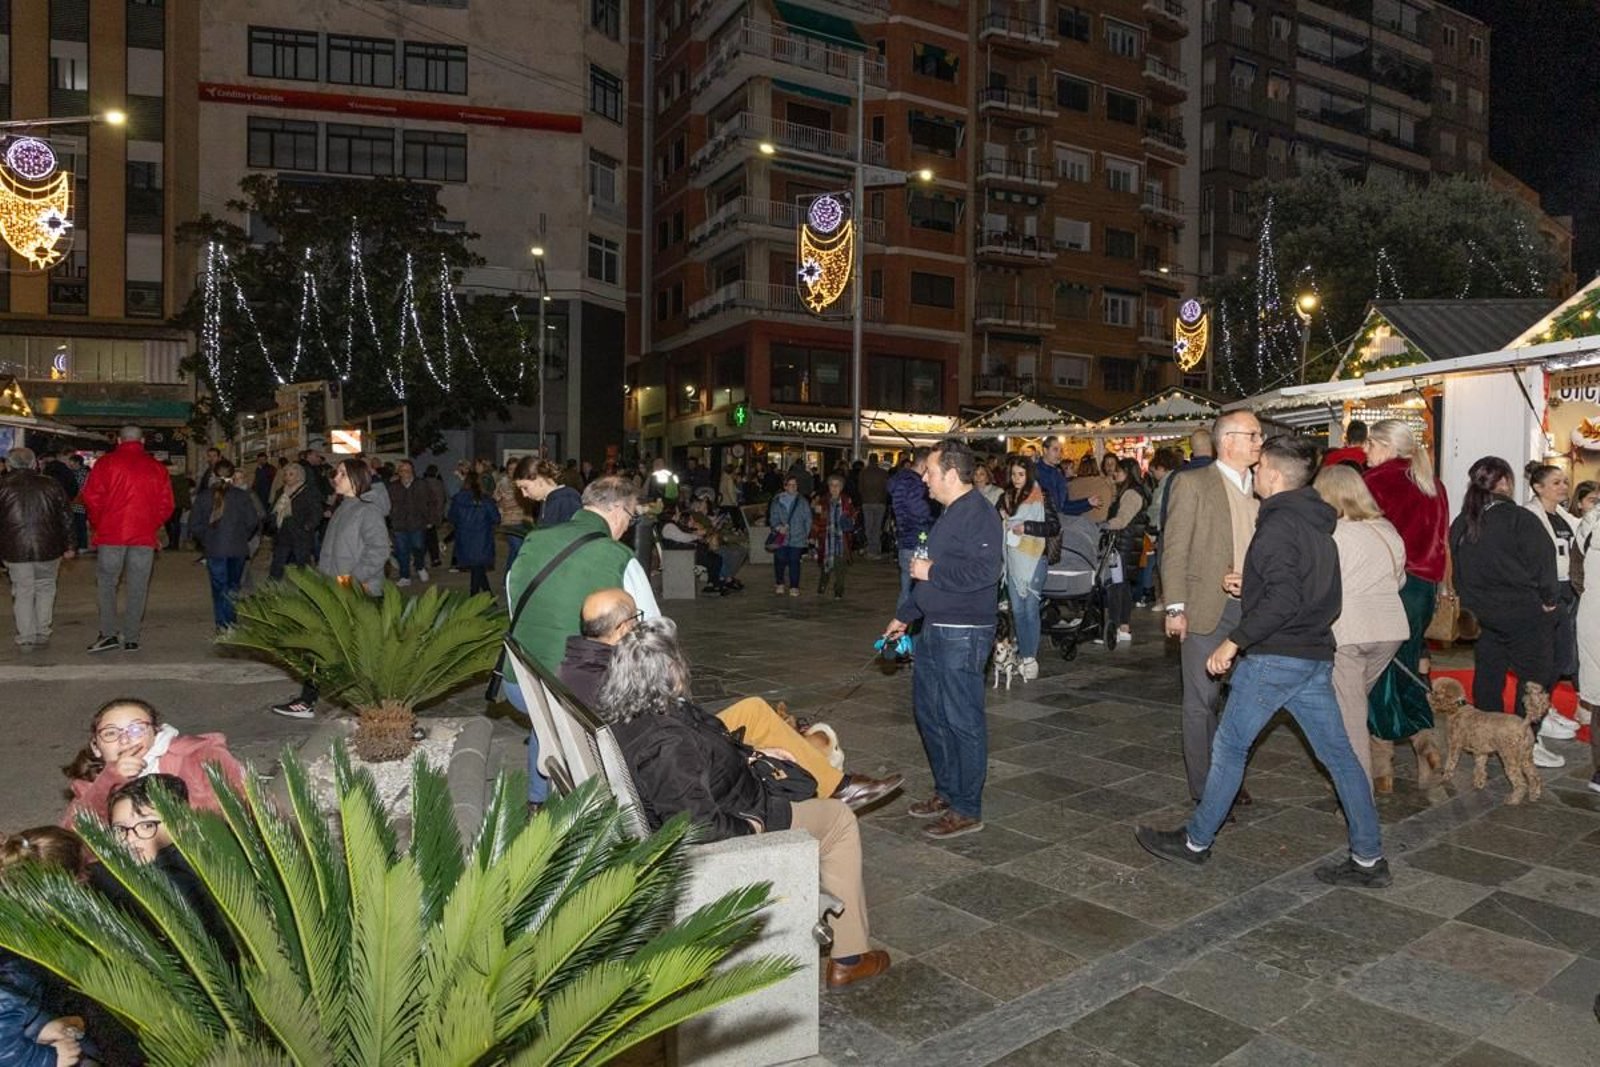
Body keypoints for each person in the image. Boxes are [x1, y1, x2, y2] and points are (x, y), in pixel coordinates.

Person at [1137, 435, 1390, 888]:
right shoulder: (1318, 524)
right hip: (1313, 656)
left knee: (1230, 747)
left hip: (1275, 657)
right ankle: (1369, 858)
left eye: (1259, 466)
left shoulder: (1275, 526)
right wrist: (1251, 585)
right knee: (1341, 758)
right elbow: (1321, 595)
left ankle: (1195, 842)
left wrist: (1234, 641)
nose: (1253, 472)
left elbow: (1286, 597)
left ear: (1272, 474)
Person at [597, 618, 890, 989]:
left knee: (801, 778)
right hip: (743, 817)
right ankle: (850, 957)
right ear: (669, 670)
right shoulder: (667, 744)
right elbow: (697, 826)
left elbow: (704, 750)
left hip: (736, 794)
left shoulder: (637, 712)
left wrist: (752, 754)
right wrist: (751, 826)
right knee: (839, 820)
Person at [560, 589, 901, 807]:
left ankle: (832, 779)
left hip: (666, 737)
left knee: (753, 709)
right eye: (636, 617)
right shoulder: (609, 671)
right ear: (620, 629)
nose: (640, 623)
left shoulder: (582, 661)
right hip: (670, 750)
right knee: (753, 714)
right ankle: (836, 786)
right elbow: (657, 732)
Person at [508, 477, 662, 808]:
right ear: (618, 509)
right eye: (631, 517)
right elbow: (652, 628)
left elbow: (513, 603)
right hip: (574, 692)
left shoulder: (534, 540)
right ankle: (616, 802)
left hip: (518, 682)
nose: (628, 526)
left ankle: (538, 800)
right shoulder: (617, 555)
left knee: (545, 717)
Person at [883, 439, 1004, 840]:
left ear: (952, 474)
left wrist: (932, 573)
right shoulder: (950, 512)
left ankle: (968, 808)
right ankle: (948, 791)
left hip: (963, 633)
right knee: (931, 714)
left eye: (930, 473)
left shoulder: (980, 514)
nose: (924, 480)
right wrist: (904, 617)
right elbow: (928, 574)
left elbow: (986, 573)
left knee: (962, 719)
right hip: (933, 628)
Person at [1161, 411, 1262, 806]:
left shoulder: (1264, 487)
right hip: (1206, 609)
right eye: (1253, 434)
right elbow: (1175, 548)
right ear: (1229, 441)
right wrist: (1174, 607)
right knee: (1201, 704)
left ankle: (1230, 777)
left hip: (1254, 612)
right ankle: (1207, 790)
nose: (1259, 441)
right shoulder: (1193, 482)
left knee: (1245, 705)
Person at [1449, 456, 1563, 767]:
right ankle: (1524, 739)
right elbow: (1544, 564)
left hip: (1482, 615)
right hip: (1524, 614)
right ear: (1505, 483)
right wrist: (1550, 600)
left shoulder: (1462, 522)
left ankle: (1490, 737)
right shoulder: (1520, 519)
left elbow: (1456, 573)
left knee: (1488, 676)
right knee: (1534, 679)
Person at [1360, 419, 1448, 790]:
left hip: (1389, 586)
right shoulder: (1433, 483)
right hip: (1424, 589)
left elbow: (1364, 540)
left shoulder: (1377, 482)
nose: (1364, 451)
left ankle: (1381, 766)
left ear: (1386, 446)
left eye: (1369, 444)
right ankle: (1426, 741)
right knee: (1409, 663)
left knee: (1376, 670)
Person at [1314, 465, 1408, 783]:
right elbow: (1400, 579)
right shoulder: (1387, 529)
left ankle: (1358, 802)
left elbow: (1323, 585)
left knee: (1348, 719)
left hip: (1349, 632)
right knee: (1351, 704)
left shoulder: (1332, 535)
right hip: (1390, 630)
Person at [60, 697, 246, 826]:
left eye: (136, 730)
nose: (124, 740)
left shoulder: (200, 756)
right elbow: (72, 846)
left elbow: (244, 809)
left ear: (156, 732)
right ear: (96, 747)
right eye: (111, 733)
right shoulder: (93, 784)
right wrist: (111, 781)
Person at [0, 827, 94, 1067]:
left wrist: (40, 1028)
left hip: (13, 1021)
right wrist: (49, 1058)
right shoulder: (15, 966)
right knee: (79, 1056)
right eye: (82, 877)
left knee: (79, 1038)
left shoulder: (15, 927)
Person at [80, 425, 175, 654]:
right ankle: (132, 637)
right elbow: (167, 504)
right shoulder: (157, 468)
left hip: (112, 533)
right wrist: (151, 524)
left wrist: (99, 524)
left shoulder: (105, 464)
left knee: (107, 584)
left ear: (119, 441)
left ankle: (109, 634)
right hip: (143, 535)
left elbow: (91, 498)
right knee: (138, 586)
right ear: (142, 441)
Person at [1522, 462, 1585, 748]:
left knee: (1560, 659)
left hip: (1566, 592)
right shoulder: (1529, 516)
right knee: (1543, 661)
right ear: (1538, 487)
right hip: (1544, 595)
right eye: (1556, 482)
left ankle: (1545, 707)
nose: (1563, 487)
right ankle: (1534, 717)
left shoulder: (1563, 516)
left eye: (1564, 482)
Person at [0, 448, 74, 649]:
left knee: (22, 591)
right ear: (35, 464)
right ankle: (43, 630)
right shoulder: (51, 484)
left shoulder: (2, 486)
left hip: (15, 549)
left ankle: (26, 636)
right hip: (49, 547)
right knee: (46, 587)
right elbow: (66, 517)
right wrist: (69, 545)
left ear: (8, 464)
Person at [998, 455, 1059, 681]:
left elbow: (1054, 526)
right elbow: (997, 519)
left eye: (1021, 474)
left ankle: (1030, 658)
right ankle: (1023, 655)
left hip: (1034, 558)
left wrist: (1027, 526)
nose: (1016, 478)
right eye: (1013, 474)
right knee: (1017, 610)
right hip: (1013, 561)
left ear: (1029, 474)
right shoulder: (1006, 497)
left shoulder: (1041, 495)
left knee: (1030, 608)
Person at [188, 459, 260, 631]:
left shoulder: (204, 496)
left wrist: (207, 539)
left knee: (219, 588)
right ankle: (231, 622)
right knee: (233, 587)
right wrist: (242, 537)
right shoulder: (242, 496)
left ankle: (223, 624)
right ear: (233, 474)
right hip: (237, 549)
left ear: (213, 474)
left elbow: (194, 524)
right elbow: (252, 521)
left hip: (215, 549)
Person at [1104, 457, 1151, 645]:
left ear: (1128, 473)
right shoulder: (1132, 492)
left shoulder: (1131, 494)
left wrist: (1103, 525)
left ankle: (1117, 626)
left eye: (1119, 470)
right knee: (1122, 585)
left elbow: (1122, 519)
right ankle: (1122, 626)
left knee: (1117, 586)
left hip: (1124, 544)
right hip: (1128, 544)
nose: (1115, 473)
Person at [1137, 447, 1182, 608]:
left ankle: (1164, 599)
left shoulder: (1166, 484)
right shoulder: (1176, 479)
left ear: (1161, 467)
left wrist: (1154, 530)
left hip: (1163, 530)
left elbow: (1158, 510)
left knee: (1164, 566)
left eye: (1154, 469)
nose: (1153, 474)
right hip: (1170, 529)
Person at [889, 449, 934, 602]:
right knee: (918, 592)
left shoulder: (899, 481)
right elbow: (920, 512)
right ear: (923, 465)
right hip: (918, 540)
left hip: (905, 540)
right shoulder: (915, 484)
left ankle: (900, 623)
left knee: (906, 588)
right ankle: (908, 624)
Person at [448, 472, 498, 596]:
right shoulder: (486, 500)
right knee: (478, 567)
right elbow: (496, 518)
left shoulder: (458, 499)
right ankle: (477, 596)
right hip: (482, 539)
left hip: (464, 539)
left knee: (477, 568)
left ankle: (485, 594)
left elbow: (451, 517)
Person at [267, 462, 320, 580]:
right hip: (283, 534)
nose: (287, 477)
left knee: (303, 565)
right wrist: (273, 521)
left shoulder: (308, 492)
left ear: (299, 476)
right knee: (277, 564)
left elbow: (316, 512)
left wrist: (307, 526)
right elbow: (273, 509)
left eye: (291, 474)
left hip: (300, 535)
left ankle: (307, 590)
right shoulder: (281, 492)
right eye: (286, 474)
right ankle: (270, 590)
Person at [810, 474, 857, 600]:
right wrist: (812, 537)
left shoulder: (847, 502)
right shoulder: (823, 502)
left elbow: (854, 517)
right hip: (826, 539)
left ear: (841, 487)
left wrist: (850, 520)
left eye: (837, 485)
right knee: (826, 566)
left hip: (842, 540)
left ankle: (839, 591)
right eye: (832, 485)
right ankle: (823, 583)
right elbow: (816, 522)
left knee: (840, 567)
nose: (834, 488)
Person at [387, 460, 431, 587]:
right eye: (402, 470)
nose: (405, 473)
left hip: (417, 522)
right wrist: (391, 518)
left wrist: (430, 519)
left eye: (408, 470)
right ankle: (404, 576)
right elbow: (389, 504)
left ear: (412, 471)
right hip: (399, 524)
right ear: (399, 472)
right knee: (402, 551)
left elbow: (431, 501)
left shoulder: (421, 484)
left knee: (418, 547)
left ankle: (420, 566)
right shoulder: (393, 487)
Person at [1034, 436, 1098, 518]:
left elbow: (1062, 506)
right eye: (1055, 449)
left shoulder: (1059, 476)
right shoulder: (1033, 472)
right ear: (1045, 450)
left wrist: (1087, 502)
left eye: (1060, 450)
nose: (1059, 454)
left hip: (1055, 521)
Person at [767, 475, 810, 597]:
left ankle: (794, 586)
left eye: (795, 485)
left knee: (794, 561)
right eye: (790, 484)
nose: (793, 487)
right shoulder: (777, 501)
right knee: (780, 559)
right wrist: (778, 527)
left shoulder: (802, 501)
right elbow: (773, 518)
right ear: (785, 486)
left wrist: (805, 534)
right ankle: (780, 582)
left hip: (797, 536)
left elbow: (808, 519)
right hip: (781, 537)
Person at [513, 456, 582, 529]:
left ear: (539, 479)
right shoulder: (547, 500)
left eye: (525, 488)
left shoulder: (567, 499)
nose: (524, 494)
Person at [858, 453, 890, 559]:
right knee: (877, 527)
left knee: (868, 526)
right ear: (877, 460)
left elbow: (860, 488)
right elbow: (887, 488)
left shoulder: (863, 473)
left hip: (866, 502)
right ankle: (875, 550)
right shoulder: (883, 473)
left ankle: (869, 548)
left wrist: (864, 498)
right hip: (880, 503)